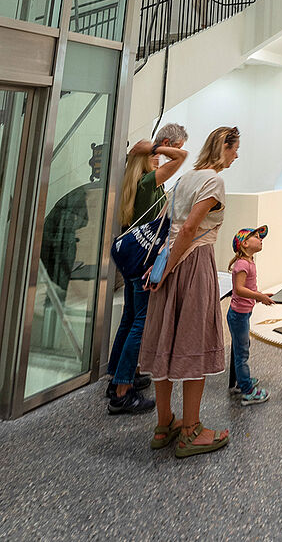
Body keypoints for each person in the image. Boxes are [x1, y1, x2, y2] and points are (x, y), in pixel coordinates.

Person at [139, 125, 240, 457]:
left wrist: (160, 268)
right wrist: (167, 270)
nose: (236, 155)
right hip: (192, 263)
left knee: (167, 339)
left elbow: (169, 226)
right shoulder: (214, 181)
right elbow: (191, 229)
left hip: (169, 258)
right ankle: (191, 430)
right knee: (193, 339)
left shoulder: (185, 179)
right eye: (234, 148)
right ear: (223, 147)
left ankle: (164, 423)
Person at [106, 125, 188, 414]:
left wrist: (149, 150)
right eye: (172, 146)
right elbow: (183, 157)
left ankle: (117, 376)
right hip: (142, 262)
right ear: (167, 144)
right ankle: (122, 391)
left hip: (130, 258)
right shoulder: (148, 181)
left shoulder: (137, 179)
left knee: (129, 319)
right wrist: (155, 148)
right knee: (140, 322)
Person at [227, 226, 274, 405]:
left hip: (242, 314)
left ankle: (242, 380)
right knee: (242, 353)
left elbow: (247, 288)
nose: (260, 239)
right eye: (256, 236)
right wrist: (259, 296)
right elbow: (239, 289)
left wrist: (260, 296)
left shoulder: (248, 261)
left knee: (242, 349)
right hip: (238, 316)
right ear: (245, 243)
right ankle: (247, 390)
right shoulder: (242, 264)